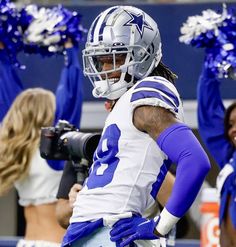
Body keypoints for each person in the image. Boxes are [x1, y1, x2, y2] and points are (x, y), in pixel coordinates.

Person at [61, 5, 211, 247]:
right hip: (90, 231)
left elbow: (194, 159)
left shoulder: (146, 96)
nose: (108, 69)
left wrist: (160, 225)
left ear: (143, 55)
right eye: (102, 61)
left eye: (116, 58)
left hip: (109, 231)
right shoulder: (127, 102)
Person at [0, 40, 83, 247]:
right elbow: (71, 97)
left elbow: (6, 92)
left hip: (27, 243)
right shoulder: (53, 151)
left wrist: (3, 55)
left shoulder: (15, 150)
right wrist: (71, 51)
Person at [197, 62, 236, 246]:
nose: (233, 130)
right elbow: (209, 111)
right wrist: (210, 67)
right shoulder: (230, 158)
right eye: (230, 125)